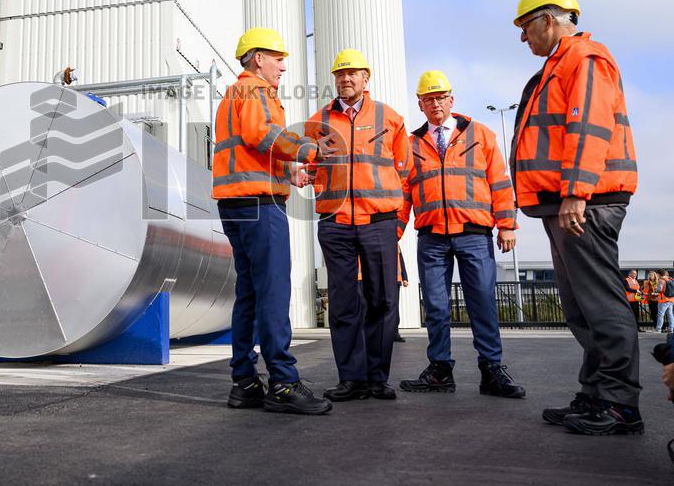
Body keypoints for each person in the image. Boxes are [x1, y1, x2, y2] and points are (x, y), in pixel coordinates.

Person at [510, 0, 640, 435]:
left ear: (548, 20)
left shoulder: (585, 59)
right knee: (581, 307)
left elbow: (588, 127)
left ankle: (620, 405)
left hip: (586, 202)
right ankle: (597, 393)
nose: (523, 37)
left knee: (600, 304)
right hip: (568, 202)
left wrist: (576, 193)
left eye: (525, 27)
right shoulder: (561, 64)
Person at [213, 26, 336, 415]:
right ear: (258, 58)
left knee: (249, 293)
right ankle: (283, 382)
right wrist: (310, 150)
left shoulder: (234, 93)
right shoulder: (256, 90)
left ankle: (245, 383)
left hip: (237, 203)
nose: (283, 66)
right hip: (260, 206)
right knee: (273, 292)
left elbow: (249, 150)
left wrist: (288, 174)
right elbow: (262, 134)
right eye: (278, 59)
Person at [398, 70, 525, 399]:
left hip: (474, 233)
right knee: (436, 306)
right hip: (432, 236)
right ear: (420, 104)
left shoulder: (479, 134)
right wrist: (392, 236)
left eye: (441, 97)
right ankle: (440, 370)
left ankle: (492, 370)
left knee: (482, 302)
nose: (436, 104)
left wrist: (507, 223)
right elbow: (403, 193)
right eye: (429, 99)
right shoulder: (411, 144)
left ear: (451, 100)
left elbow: (500, 180)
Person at [304, 48, 409, 402]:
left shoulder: (389, 117)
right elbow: (311, 166)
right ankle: (351, 378)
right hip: (335, 223)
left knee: (382, 300)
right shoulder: (318, 121)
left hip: (378, 221)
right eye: (340, 74)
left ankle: (377, 377)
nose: (346, 78)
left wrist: (393, 216)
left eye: (352, 73)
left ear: (366, 78)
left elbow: (404, 170)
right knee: (343, 303)